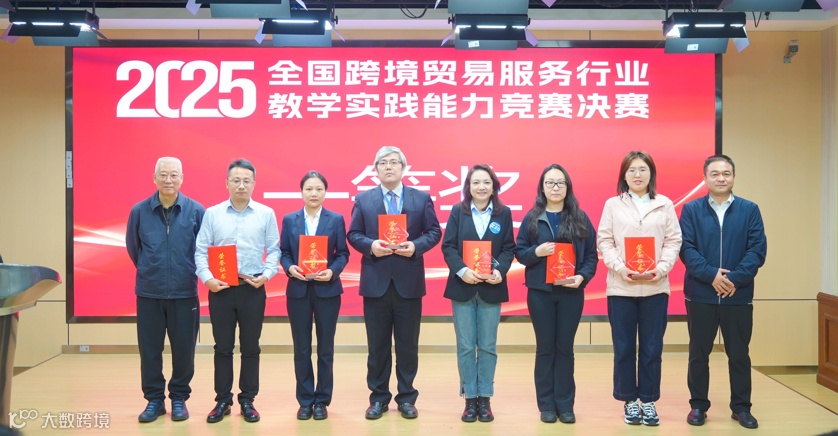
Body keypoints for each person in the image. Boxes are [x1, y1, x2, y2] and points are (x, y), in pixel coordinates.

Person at [347, 146, 441, 420]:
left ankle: (407, 398)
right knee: (377, 347)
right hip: (375, 282)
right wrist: (371, 246)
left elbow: (434, 231)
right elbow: (354, 234)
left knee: (407, 345)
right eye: (383, 163)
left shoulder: (420, 198)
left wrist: (416, 246)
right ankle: (378, 398)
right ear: (375, 169)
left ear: (403, 168)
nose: (389, 167)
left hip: (408, 282)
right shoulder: (363, 199)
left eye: (394, 162)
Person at [679, 155, 767, 429]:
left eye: (726, 173)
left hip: (737, 295)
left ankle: (741, 407)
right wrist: (711, 276)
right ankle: (698, 406)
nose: (721, 178)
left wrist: (733, 279)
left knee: (739, 354)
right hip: (700, 294)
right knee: (698, 354)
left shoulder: (749, 209)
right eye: (715, 174)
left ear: (734, 177)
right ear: (705, 178)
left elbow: (757, 250)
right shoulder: (691, 210)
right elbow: (686, 248)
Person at [597, 150, 682, 426]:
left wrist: (662, 268)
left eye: (643, 169)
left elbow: (673, 240)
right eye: (632, 169)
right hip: (621, 288)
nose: (637, 174)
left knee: (651, 348)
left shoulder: (664, 204)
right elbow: (604, 241)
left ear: (651, 174)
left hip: (656, 288)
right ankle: (629, 401)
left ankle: (648, 399)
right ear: (624, 175)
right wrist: (621, 268)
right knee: (623, 348)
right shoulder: (613, 205)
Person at [195, 158, 280, 424]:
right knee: (222, 348)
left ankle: (248, 400)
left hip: (252, 289)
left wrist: (266, 275)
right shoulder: (213, 213)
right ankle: (222, 401)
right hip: (220, 290)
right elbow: (200, 250)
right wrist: (208, 279)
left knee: (251, 347)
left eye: (246, 181)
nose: (241, 185)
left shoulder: (265, 213)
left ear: (254, 184)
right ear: (227, 183)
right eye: (236, 180)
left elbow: (274, 250)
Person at [515, 164, 598, 424]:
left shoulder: (580, 218)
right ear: (542, 187)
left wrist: (582, 277)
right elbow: (520, 253)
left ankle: (565, 404)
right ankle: (547, 405)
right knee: (545, 348)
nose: (555, 187)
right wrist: (536, 252)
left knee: (565, 348)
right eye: (550, 183)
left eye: (560, 183)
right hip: (540, 293)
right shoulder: (531, 218)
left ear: (568, 187)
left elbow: (592, 255)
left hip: (571, 292)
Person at [126, 157, 205, 423]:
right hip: (149, 292)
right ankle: (155, 400)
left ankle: (179, 398)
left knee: (184, 350)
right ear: (154, 178)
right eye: (163, 175)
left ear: (182, 178)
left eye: (173, 175)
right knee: (150, 350)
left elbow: (202, 250)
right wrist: (151, 269)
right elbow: (134, 248)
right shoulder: (139, 211)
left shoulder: (196, 211)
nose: (168, 180)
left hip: (185, 293)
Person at [441, 164, 515, 423]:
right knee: (465, 345)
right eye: (476, 182)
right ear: (468, 187)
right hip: (462, 287)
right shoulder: (457, 211)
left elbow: (509, 248)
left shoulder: (504, 213)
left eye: (486, 182)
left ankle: (485, 398)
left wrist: (500, 271)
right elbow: (448, 247)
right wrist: (462, 271)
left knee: (487, 346)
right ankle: (469, 399)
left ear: (494, 186)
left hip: (491, 288)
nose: (481, 187)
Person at [280, 171, 350, 421]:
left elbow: (343, 253)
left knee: (325, 349)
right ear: (301, 192)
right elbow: (284, 252)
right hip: (298, 290)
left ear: (325, 192)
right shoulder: (290, 219)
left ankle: (322, 400)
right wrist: (290, 268)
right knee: (301, 348)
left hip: (327, 291)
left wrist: (332, 271)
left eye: (319, 189)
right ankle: (305, 400)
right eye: (309, 189)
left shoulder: (336, 219)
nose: (313, 193)